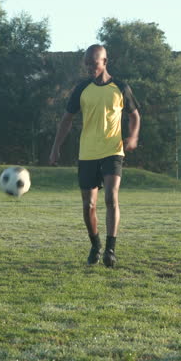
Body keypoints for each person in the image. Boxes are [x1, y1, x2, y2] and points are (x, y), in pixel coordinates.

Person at [49, 44, 140, 268]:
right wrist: (56, 146)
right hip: (88, 153)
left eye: (94, 63)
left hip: (113, 151)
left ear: (105, 62)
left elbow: (135, 116)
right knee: (89, 204)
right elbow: (67, 119)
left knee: (110, 198)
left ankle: (110, 249)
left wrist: (133, 137)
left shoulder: (120, 88)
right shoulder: (82, 89)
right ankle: (95, 245)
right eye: (87, 64)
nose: (90, 67)